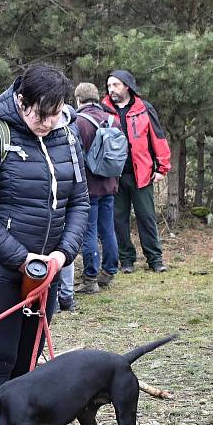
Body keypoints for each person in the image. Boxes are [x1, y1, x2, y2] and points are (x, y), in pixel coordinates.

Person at [0, 63, 89, 414]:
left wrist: (63, 254)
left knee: (26, 362)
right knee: (0, 358)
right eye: (42, 114)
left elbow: (79, 202)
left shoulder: (68, 138)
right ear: (21, 101)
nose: (49, 122)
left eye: (56, 113)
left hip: (45, 271)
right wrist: (21, 259)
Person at [102, 70, 171, 273]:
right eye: (109, 86)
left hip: (142, 174)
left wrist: (162, 167)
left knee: (147, 218)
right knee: (118, 220)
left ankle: (155, 260)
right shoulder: (103, 109)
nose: (111, 89)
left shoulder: (144, 108)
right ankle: (127, 261)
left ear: (127, 86)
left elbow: (158, 138)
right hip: (114, 177)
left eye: (115, 85)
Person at [72, 81, 121, 292]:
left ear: (78, 99)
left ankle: (90, 279)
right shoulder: (112, 120)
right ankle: (109, 271)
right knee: (108, 229)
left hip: (88, 186)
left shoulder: (78, 122)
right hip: (110, 183)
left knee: (88, 232)